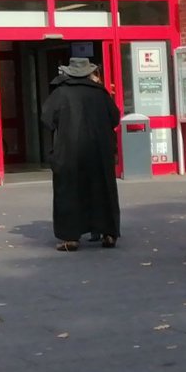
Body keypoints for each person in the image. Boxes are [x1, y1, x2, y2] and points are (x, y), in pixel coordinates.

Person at [39, 57, 122, 251]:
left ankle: (70, 237)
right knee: (102, 190)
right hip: (99, 150)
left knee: (69, 192)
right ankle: (108, 233)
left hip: (69, 151)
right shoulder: (101, 93)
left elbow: (47, 119)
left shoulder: (61, 93)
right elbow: (115, 117)